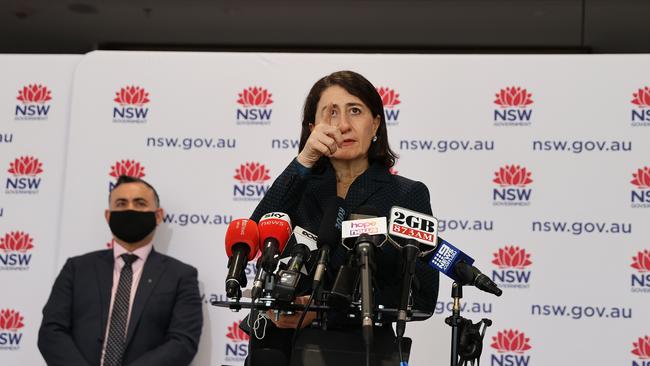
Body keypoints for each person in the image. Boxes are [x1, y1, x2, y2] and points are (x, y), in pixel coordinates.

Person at [246, 70, 439, 365]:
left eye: (355, 111)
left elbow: (421, 295)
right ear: (313, 127)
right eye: (331, 113)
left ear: (375, 123)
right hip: (279, 350)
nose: (344, 125)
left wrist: (320, 308)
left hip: (359, 351)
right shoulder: (298, 185)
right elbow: (257, 237)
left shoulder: (406, 195)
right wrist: (304, 161)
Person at [38, 175, 203, 366]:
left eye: (140, 203)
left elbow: (182, 342)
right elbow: (51, 332)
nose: (130, 209)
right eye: (121, 203)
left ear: (158, 215)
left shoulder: (181, 276)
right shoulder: (76, 269)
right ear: (108, 216)